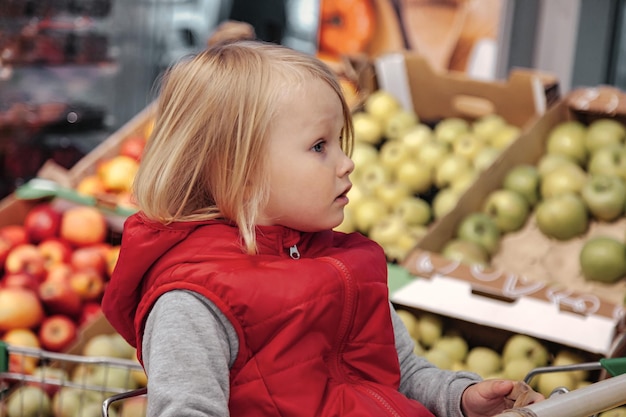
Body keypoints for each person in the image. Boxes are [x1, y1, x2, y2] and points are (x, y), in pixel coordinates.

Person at [101, 40, 543, 417]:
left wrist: (459, 397)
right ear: (240, 170)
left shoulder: (345, 265)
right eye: (319, 146)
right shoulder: (193, 302)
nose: (347, 162)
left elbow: (401, 372)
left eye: (340, 142)